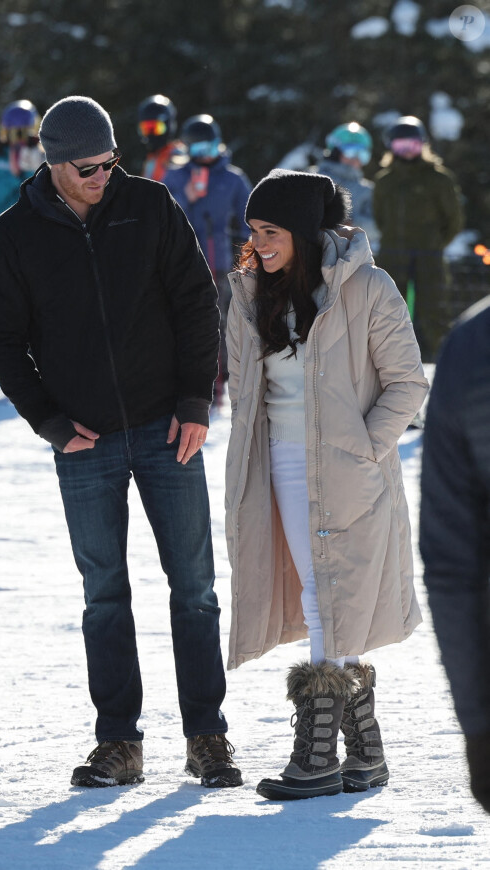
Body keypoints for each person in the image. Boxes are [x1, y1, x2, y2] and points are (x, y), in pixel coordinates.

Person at [0, 95, 242, 790]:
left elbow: (194, 302)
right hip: (83, 442)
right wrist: (48, 420)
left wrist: (194, 399)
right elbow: (2, 339)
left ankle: (208, 737)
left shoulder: (151, 206)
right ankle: (119, 743)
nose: (104, 175)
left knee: (195, 590)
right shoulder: (14, 236)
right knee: (104, 594)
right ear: (55, 163)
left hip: (167, 427)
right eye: (90, 167)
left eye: (112, 160)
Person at [225, 169, 429, 800]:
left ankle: (318, 756)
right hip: (278, 461)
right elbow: (240, 382)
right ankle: (364, 755)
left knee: (326, 591)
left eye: (272, 232)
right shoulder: (250, 291)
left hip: (347, 468)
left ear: (307, 233)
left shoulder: (366, 288)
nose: (259, 244)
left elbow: (407, 383)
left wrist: (364, 448)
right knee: (321, 588)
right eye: (253, 232)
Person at [420, 295, 490, 815]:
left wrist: (479, 727)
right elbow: (451, 563)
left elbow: (451, 566)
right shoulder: (473, 350)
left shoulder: (473, 344)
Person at [164, 114, 251, 382]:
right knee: (185, 315)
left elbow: (248, 216)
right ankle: (184, 371)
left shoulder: (232, 178)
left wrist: (246, 246)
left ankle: (221, 373)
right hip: (183, 258)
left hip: (219, 256)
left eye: (210, 149)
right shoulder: (176, 177)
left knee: (218, 315)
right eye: (198, 150)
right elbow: (162, 215)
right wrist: (185, 196)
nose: (205, 156)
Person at [373, 115, 464, 362]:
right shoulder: (385, 181)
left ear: (423, 145)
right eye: (400, 146)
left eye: (412, 145)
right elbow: (380, 217)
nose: (407, 152)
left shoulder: (439, 179)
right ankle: (387, 365)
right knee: (388, 311)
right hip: (393, 255)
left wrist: (434, 245)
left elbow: (453, 220)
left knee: (434, 313)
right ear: (391, 147)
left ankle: (446, 364)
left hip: (428, 257)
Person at [312, 122, 379, 248]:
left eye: (363, 154)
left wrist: (351, 224)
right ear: (335, 152)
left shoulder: (367, 190)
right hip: (314, 251)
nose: (356, 158)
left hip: (351, 256)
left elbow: (377, 226)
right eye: (351, 151)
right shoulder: (313, 180)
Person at [0, 99, 44, 220]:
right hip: (4, 226)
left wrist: (29, 171)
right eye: (14, 133)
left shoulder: (42, 156)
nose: (19, 139)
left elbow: (43, 196)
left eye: (24, 132)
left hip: (34, 225)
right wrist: (13, 176)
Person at [137, 94, 185, 182]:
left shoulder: (177, 155)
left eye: (157, 128)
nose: (151, 134)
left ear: (168, 126)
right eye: (147, 129)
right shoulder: (151, 158)